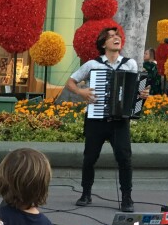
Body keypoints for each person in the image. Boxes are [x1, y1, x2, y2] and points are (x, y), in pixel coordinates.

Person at [63, 27, 147, 212]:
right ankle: (86, 193)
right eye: (110, 37)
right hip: (96, 118)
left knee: (125, 159)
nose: (116, 38)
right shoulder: (93, 65)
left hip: (120, 121)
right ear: (103, 44)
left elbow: (137, 92)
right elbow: (70, 82)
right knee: (89, 158)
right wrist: (81, 92)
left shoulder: (129, 64)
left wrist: (142, 95)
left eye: (117, 36)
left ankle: (127, 197)